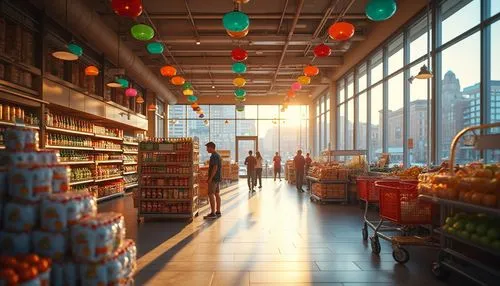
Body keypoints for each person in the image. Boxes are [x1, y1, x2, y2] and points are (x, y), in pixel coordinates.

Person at [204, 142, 222, 219]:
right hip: (218, 178)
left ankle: (213, 213)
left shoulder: (214, 156)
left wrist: (210, 178)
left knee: (210, 194)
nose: (206, 149)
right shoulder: (218, 155)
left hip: (214, 179)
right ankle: (218, 211)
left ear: (211, 147)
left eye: (207, 148)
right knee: (217, 194)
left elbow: (215, 168)